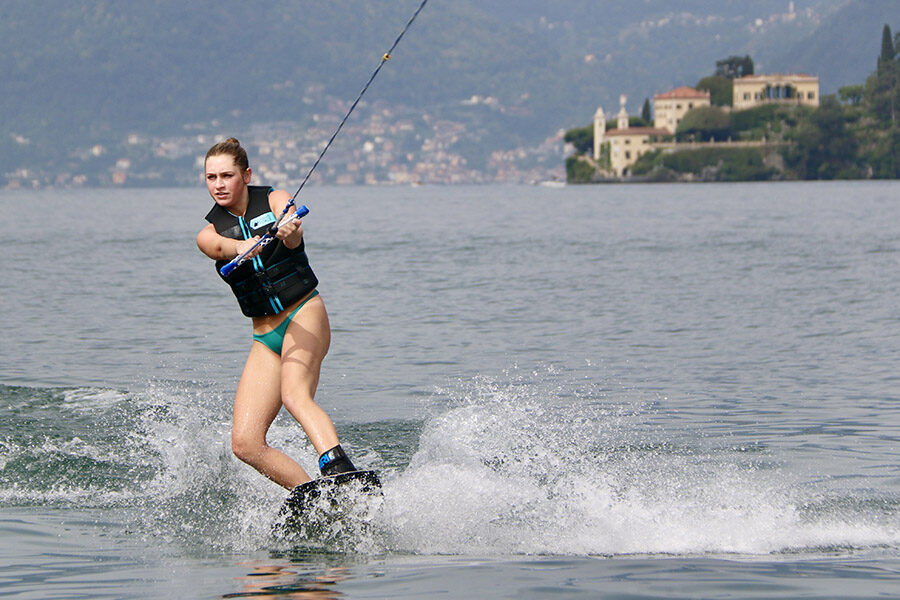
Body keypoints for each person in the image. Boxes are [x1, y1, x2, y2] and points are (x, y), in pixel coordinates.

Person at [196, 137, 356, 491]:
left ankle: (340, 469)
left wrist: (289, 229)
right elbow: (220, 248)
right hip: (265, 336)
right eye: (211, 177)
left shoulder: (273, 198)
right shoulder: (207, 233)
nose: (219, 184)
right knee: (245, 443)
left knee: (294, 395)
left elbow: (293, 225)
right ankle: (309, 494)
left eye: (227, 175)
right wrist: (242, 246)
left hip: (304, 313)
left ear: (246, 174)